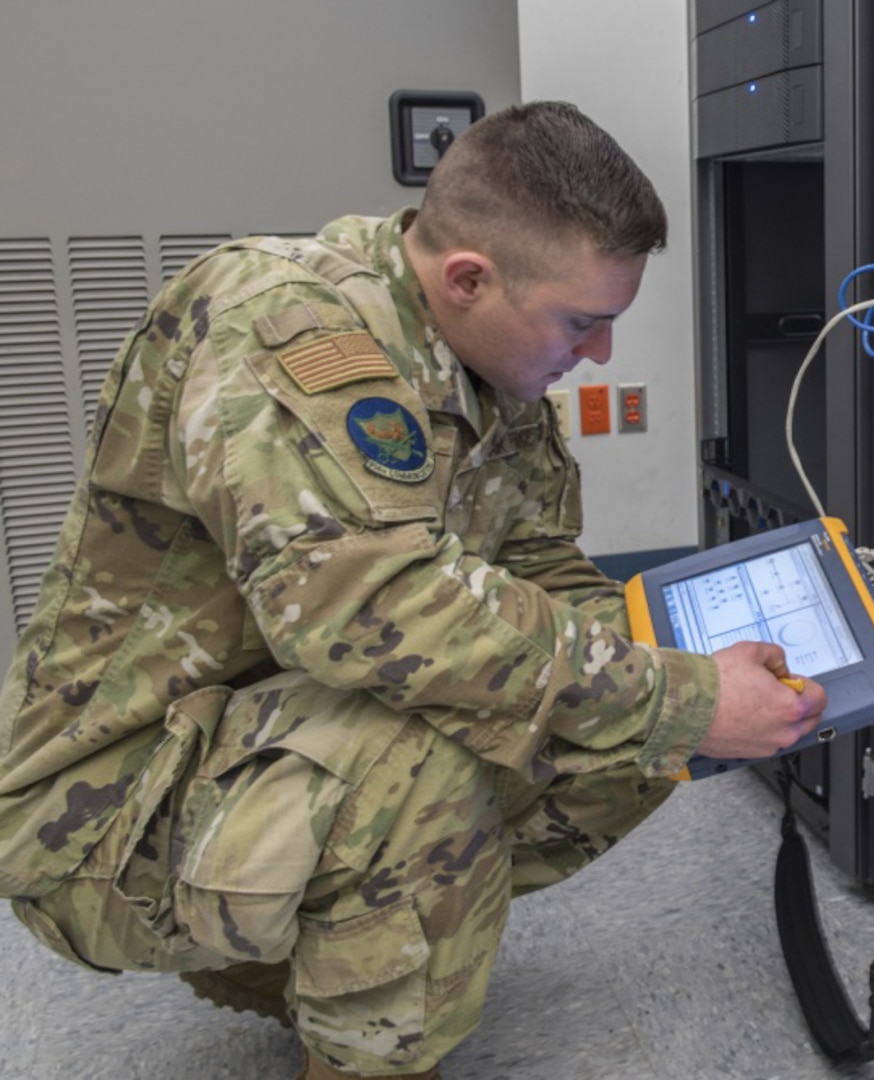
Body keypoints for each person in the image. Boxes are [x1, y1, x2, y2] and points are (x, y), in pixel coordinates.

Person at [0, 101, 827, 1079]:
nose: (598, 355)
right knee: (431, 750)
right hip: (104, 812)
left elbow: (545, 574)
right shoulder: (284, 324)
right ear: (469, 279)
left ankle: (339, 950)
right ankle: (362, 1035)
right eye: (582, 323)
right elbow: (368, 612)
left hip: (264, 734)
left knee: (627, 723)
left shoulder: (488, 375)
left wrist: (687, 679)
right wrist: (677, 695)